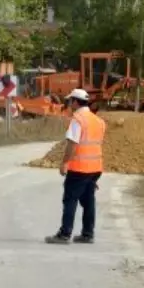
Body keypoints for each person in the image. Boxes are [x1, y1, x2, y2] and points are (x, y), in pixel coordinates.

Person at [46, 88, 106, 245]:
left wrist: (65, 163)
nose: (69, 104)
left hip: (79, 168)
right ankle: (88, 234)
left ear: (75, 102)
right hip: (95, 168)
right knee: (88, 201)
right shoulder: (98, 121)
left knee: (70, 199)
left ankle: (64, 234)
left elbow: (72, 144)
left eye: (70, 101)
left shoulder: (78, 120)